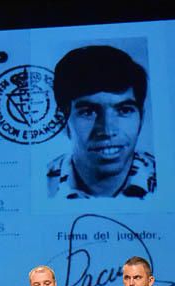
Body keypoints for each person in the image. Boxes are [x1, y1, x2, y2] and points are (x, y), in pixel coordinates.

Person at [47, 45, 156, 199]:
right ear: (62, 121)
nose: (107, 130)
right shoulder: (39, 185)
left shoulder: (170, 178)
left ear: (141, 118)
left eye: (124, 110)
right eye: (88, 112)